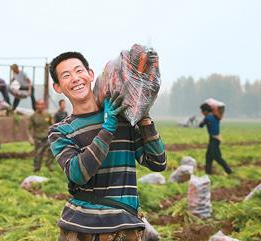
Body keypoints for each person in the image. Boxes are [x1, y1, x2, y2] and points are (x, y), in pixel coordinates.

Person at [48, 52, 166, 240]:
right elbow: (78, 173)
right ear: (58, 87)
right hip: (80, 228)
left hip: (124, 226)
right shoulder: (60, 131)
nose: (75, 78)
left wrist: (144, 117)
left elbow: (157, 162)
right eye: (66, 75)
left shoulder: (124, 120)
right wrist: (108, 127)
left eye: (79, 71)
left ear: (91, 75)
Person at [199, 103, 232, 175]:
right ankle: (208, 172)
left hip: (214, 139)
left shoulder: (208, 117)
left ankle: (229, 171)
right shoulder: (216, 116)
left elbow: (201, 125)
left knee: (217, 157)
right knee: (208, 156)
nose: (201, 113)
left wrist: (203, 121)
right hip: (216, 139)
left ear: (206, 111)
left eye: (202, 111)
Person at [28, 99, 54, 172]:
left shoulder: (48, 115)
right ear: (36, 106)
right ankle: (37, 168)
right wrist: (30, 138)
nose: (40, 106)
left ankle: (49, 164)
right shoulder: (33, 116)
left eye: (42, 104)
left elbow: (52, 125)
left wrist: (54, 134)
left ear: (44, 105)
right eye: (38, 104)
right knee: (38, 154)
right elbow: (28, 129)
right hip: (38, 139)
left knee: (51, 151)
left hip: (47, 138)